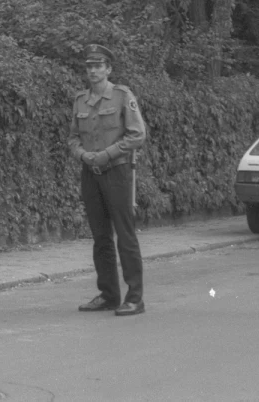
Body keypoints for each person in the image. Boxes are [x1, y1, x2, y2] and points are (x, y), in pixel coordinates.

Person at [68, 44, 147, 316]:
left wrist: (106, 154)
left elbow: (137, 135)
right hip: (90, 173)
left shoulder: (122, 96)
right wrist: (83, 155)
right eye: (89, 66)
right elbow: (73, 137)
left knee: (125, 235)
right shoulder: (80, 100)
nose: (93, 71)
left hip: (117, 171)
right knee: (100, 237)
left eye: (98, 66)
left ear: (108, 69)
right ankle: (109, 295)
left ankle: (135, 298)